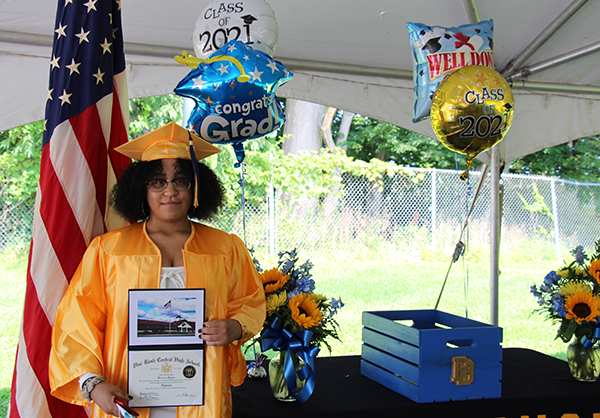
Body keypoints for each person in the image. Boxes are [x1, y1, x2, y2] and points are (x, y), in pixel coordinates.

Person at [48, 122, 266, 418]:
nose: (170, 191)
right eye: (158, 182)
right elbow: (76, 321)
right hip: (127, 389)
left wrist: (236, 327)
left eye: (181, 180)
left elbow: (250, 300)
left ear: (197, 185)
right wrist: (93, 384)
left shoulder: (225, 247)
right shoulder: (109, 251)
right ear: (142, 188)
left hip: (201, 391)